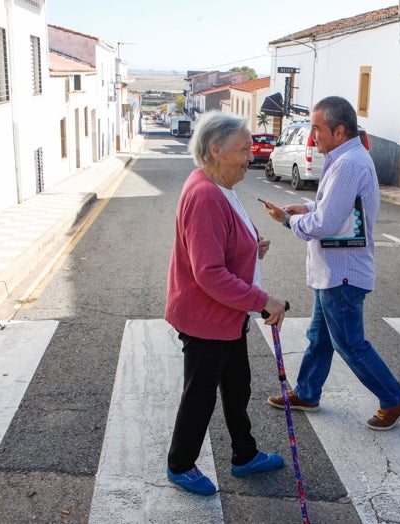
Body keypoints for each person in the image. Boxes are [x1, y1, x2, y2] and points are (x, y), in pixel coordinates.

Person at [261, 96, 400, 431]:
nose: (312, 136)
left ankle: (393, 397)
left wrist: (287, 221)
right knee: (321, 337)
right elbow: (336, 209)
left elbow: (327, 225)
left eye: (317, 128)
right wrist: (307, 208)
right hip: (333, 272)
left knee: (349, 343)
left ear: (339, 130)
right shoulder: (347, 158)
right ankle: (307, 393)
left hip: (342, 274)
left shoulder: (348, 164)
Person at [165, 111, 288, 496]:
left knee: (237, 388)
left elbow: (223, 244)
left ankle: (244, 455)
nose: (250, 156)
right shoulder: (205, 195)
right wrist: (263, 300)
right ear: (216, 151)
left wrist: (252, 248)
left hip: (227, 317)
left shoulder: (218, 185)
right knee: (199, 397)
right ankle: (180, 465)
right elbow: (209, 273)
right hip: (206, 319)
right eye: (243, 149)